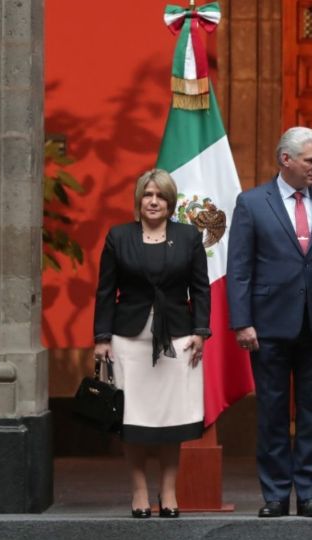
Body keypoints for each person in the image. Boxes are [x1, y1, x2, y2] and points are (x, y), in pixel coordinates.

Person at [227, 126, 312, 518]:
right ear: (287, 160)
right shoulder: (252, 203)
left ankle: (311, 493)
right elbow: (240, 269)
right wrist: (242, 322)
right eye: (311, 160)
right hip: (267, 326)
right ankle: (275, 495)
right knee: (272, 413)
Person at [93, 168, 210, 518]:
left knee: (172, 419)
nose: (154, 201)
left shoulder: (189, 237)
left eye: (160, 196)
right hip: (129, 339)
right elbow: (104, 290)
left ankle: (169, 493)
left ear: (170, 202)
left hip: (178, 338)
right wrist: (101, 338)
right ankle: (140, 491)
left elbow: (200, 289)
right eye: (148, 195)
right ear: (139, 200)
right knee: (134, 419)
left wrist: (202, 331)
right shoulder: (119, 236)